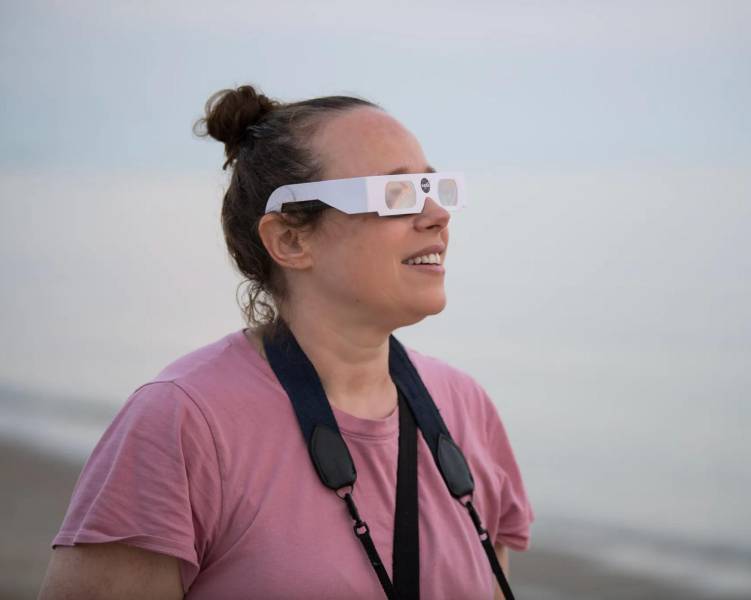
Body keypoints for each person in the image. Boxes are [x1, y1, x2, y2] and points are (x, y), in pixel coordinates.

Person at [38, 85, 534, 599]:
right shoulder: (183, 422)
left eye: (433, 187)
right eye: (395, 194)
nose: (437, 215)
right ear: (290, 240)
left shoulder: (465, 408)